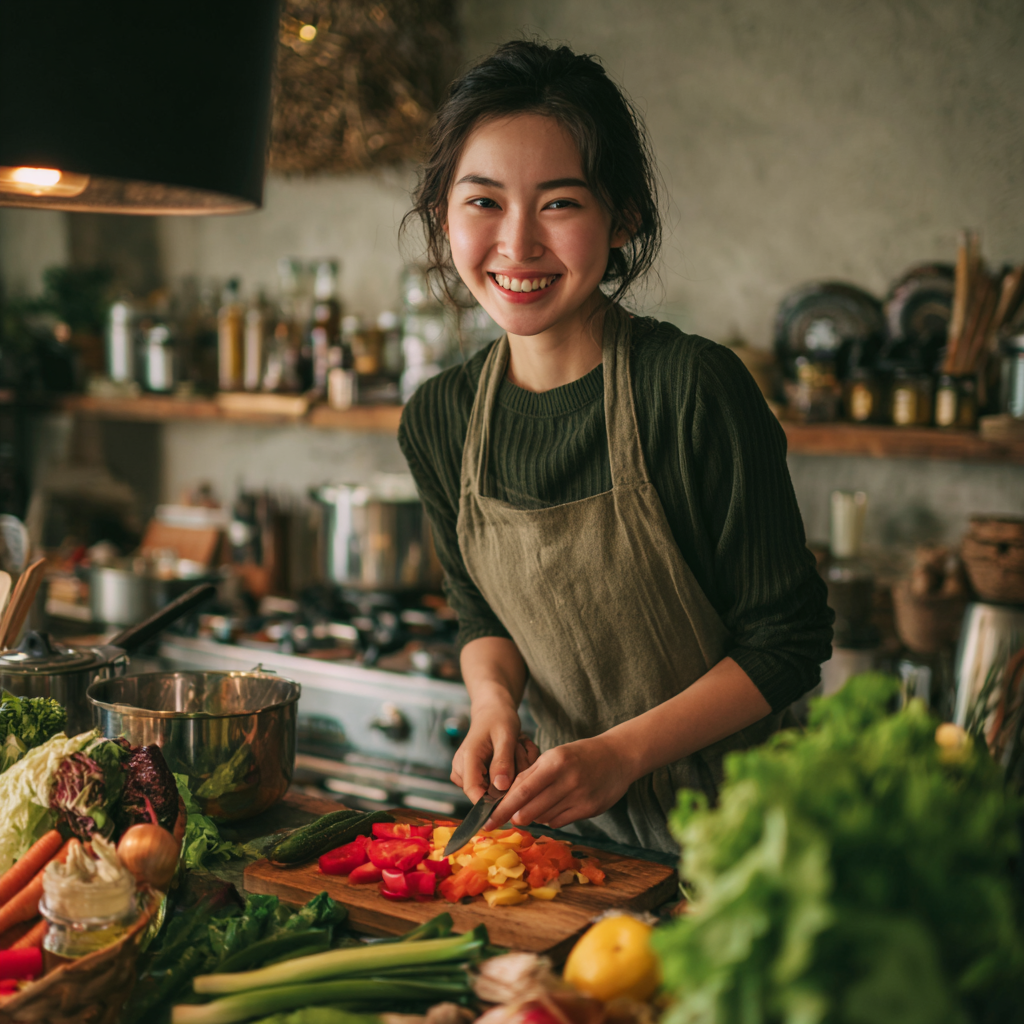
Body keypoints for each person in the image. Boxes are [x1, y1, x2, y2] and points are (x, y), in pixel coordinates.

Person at [398, 40, 833, 853]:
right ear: (441, 217)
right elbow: (481, 612)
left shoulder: (695, 390)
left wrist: (622, 752)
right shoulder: (440, 417)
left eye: (559, 203)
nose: (518, 245)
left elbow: (789, 641)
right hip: (569, 839)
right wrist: (493, 702)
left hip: (746, 838)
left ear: (621, 216)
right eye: (483, 202)